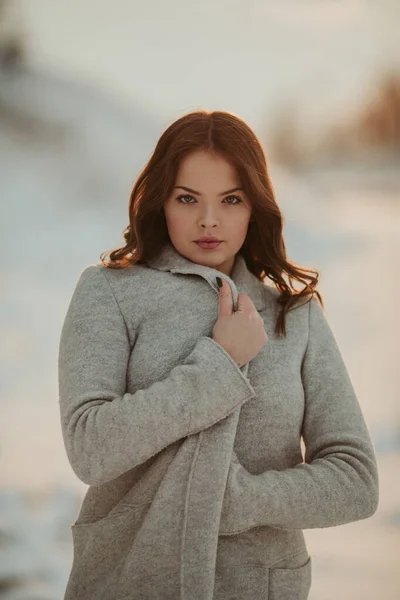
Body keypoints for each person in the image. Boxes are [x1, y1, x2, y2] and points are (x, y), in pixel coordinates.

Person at [58, 109, 379, 600]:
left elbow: (356, 480)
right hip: (126, 580)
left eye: (231, 199)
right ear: (161, 201)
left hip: (259, 585)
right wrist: (218, 366)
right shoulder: (109, 293)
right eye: (188, 198)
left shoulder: (295, 315)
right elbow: (89, 448)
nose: (209, 220)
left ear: (255, 207)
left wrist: (238, 500)